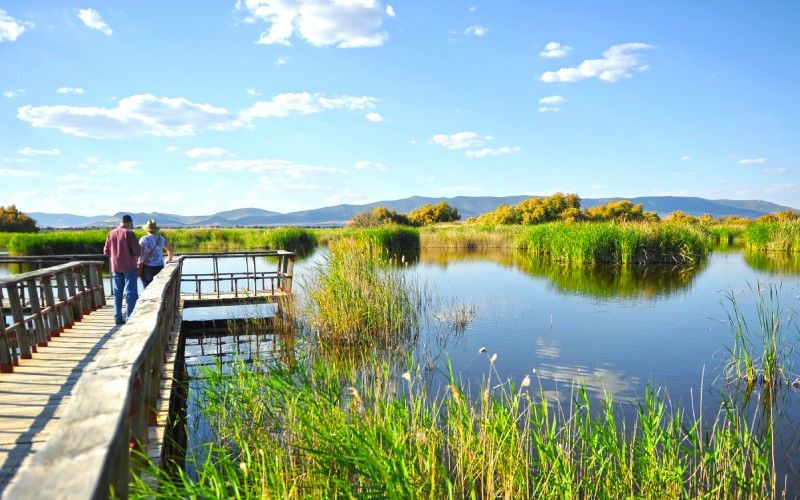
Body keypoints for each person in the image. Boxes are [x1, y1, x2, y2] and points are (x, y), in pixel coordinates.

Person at [103, 214, 141, 325]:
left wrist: (114, 256)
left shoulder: (111, 233)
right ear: (129, 223)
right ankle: (130, 318)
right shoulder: (129, 233)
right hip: (129, 267)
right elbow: (137, 251)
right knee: (131, 293)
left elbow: (106, 251)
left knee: (117, 293)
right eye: (131, 224)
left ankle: (118, 318)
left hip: (116, 267)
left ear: (121, 222)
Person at [138, 219, 174, 288]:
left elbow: (138, 252)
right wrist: (169, 260)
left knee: (147, 288)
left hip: (146, 267)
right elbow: (170, 250)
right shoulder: (161, 239)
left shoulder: (144, 239)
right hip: (159, 266)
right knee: (158, 287)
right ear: (156, 229)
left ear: (147, 230)